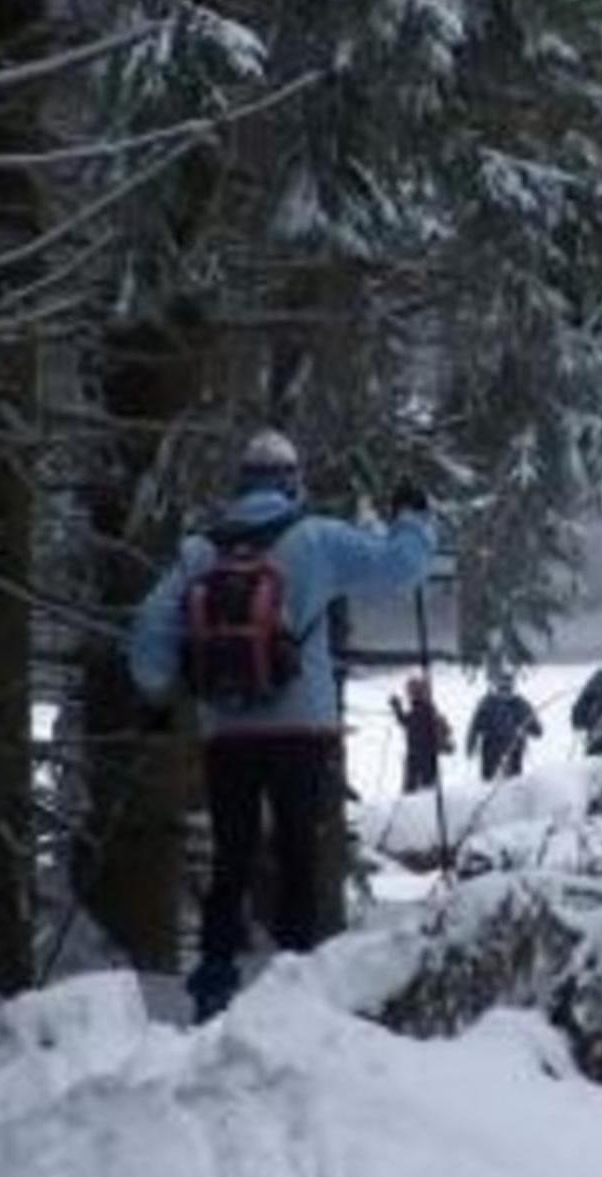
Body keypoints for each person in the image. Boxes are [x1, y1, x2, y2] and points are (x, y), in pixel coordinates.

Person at [128, 430, 435, 1022]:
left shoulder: (200, 552)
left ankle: (215, 982)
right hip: (302, 729)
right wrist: (413, 518)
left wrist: (155, 694)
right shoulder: (316, 539)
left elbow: (149, 628)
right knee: (299, 852)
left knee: (232, 855)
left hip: (227, 730)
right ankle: (300, 987)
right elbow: (401, 569)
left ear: (240, 482)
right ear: (293, 480)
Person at [468, 667, 542, 780]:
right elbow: (474, 726)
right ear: (497, 686)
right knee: (489, 781)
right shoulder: (487, 703)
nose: (504, 691)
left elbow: (537, 731)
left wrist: (526, 728)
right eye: (502, 687)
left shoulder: (521, 704)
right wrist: (471, 745)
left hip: (513, 749)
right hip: (491, 750)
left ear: (512, 687)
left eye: (507, 688)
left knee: (512, 783)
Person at [390, 675, 452, 793]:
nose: (408, 695)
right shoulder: (428, 709)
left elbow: (406, 722)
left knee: (414, 790)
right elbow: (406, 721)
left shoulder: (421, 709)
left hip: (419, 756)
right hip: (426, 756)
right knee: (426, 788)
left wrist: (396, 707)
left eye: (410, 691)